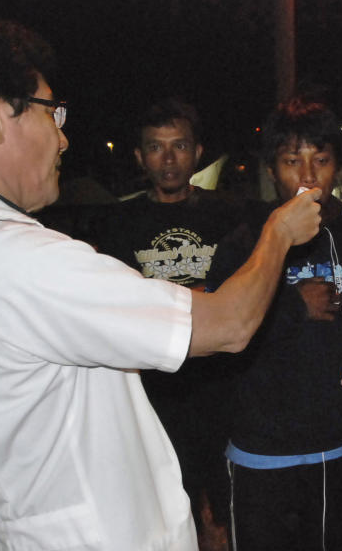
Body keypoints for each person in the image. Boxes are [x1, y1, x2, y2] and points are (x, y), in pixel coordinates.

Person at [0, 14, 321, 551]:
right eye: (48, 112)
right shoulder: (13, 258)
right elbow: (229, 323)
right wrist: (279, 231)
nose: (62, 139)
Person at [216, 95, 342, 551]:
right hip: (260, 454)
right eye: (292, 160)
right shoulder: (244, 244)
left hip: (337, 447)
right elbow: (222, 341)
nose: (308, 174)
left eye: (321, 159)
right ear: (271, 168)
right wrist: (290, 306)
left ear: (338, 165)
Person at [90, 98, 249, 528]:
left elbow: (252, 287)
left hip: (226, 389)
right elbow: (114, 306)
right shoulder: (117, 222)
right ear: (140, 156)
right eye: (155, 147)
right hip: (157, 397)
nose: (168, 158)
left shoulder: (231, 213)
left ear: (198, 152)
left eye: (179, 145)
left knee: (237, 516)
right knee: (175, 521)